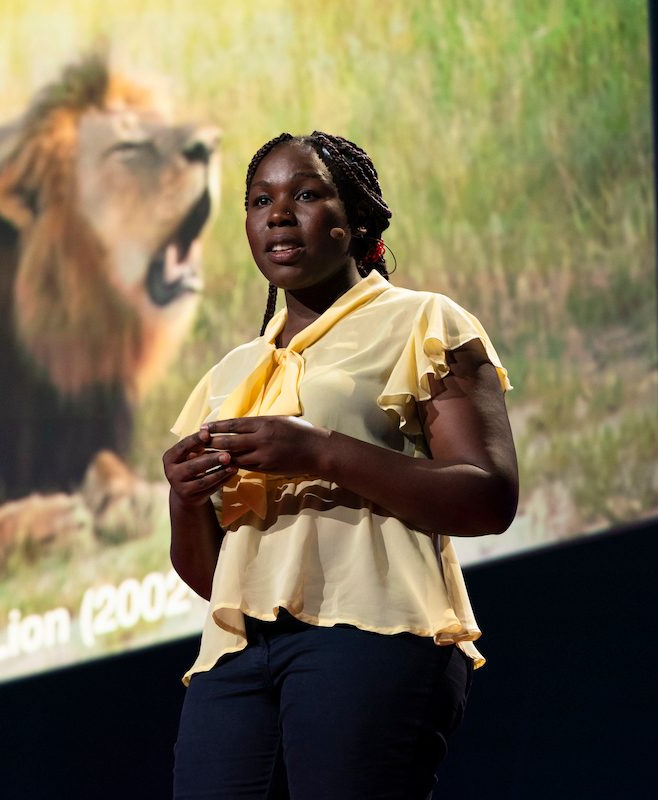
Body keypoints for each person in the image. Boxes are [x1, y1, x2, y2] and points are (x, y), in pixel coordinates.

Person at [164, 131, 518, 800]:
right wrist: (184, 501)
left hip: (372, 632)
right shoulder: (230, 374)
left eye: (305, 195)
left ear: (355, 220)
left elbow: (489, 496)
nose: (277, 214)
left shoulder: (422, 321)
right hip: (236, 658)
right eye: (259, 200)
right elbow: (214, 577)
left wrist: (320, 451)